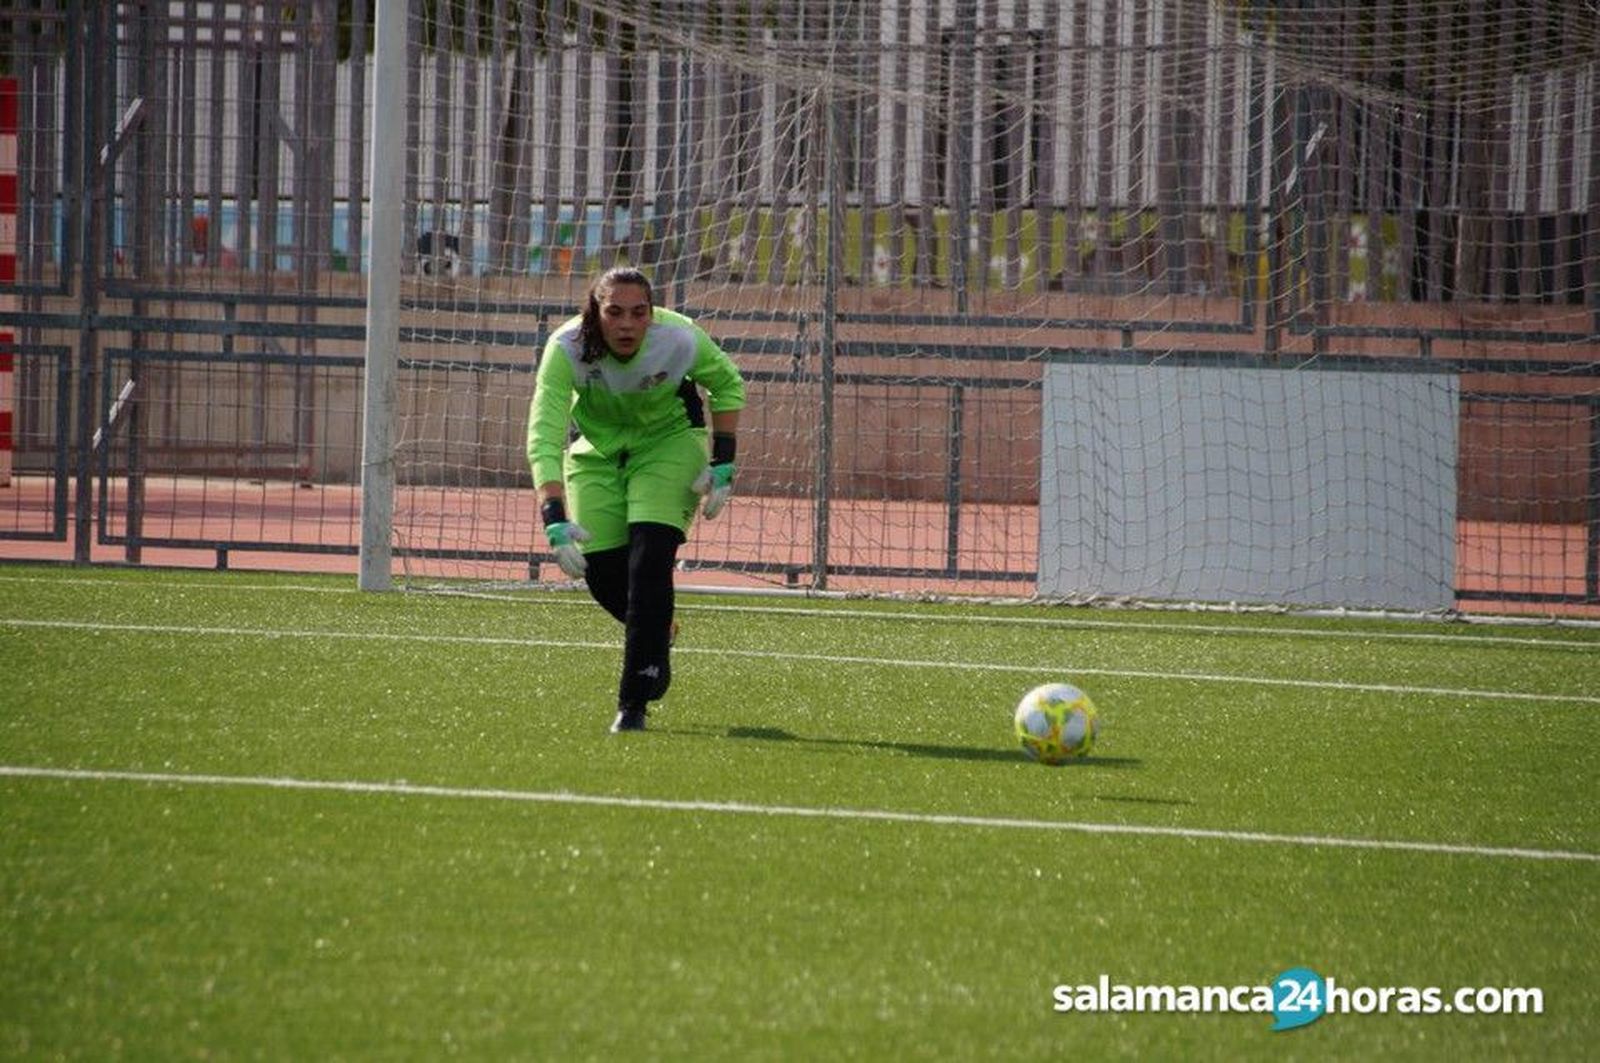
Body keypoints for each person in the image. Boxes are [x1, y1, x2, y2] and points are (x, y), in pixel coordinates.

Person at [526, 266, 746, 733]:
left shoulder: (679, 338)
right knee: (603, 576)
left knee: (649, 560)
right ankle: (659, 630)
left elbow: (728, 383)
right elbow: (544, 435)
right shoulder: (565, 348)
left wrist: (724, 462)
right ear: (595, 313)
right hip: (596, 453)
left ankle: (633, 702)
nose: (627, 324)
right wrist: (553, 515)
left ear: (651, 313)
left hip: (669, 444)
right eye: (615, 312)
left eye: (638, 312)